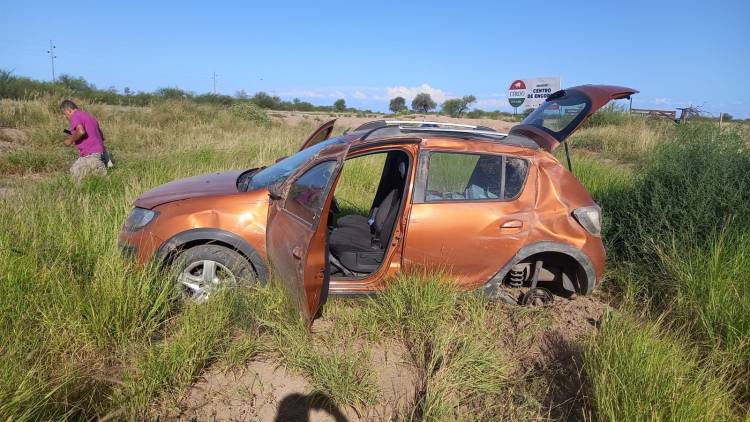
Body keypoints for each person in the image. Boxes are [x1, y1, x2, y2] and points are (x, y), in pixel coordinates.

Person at [60, 100, 112, 180]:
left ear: (68, 110)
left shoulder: (75, 116)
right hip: (101, 153)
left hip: (91, 154)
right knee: (96, 178)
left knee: (75, 173)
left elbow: (81, 132)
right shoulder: (90, 117)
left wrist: (70, 141)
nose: (65, 117)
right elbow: (100, 136)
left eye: (64, 114)